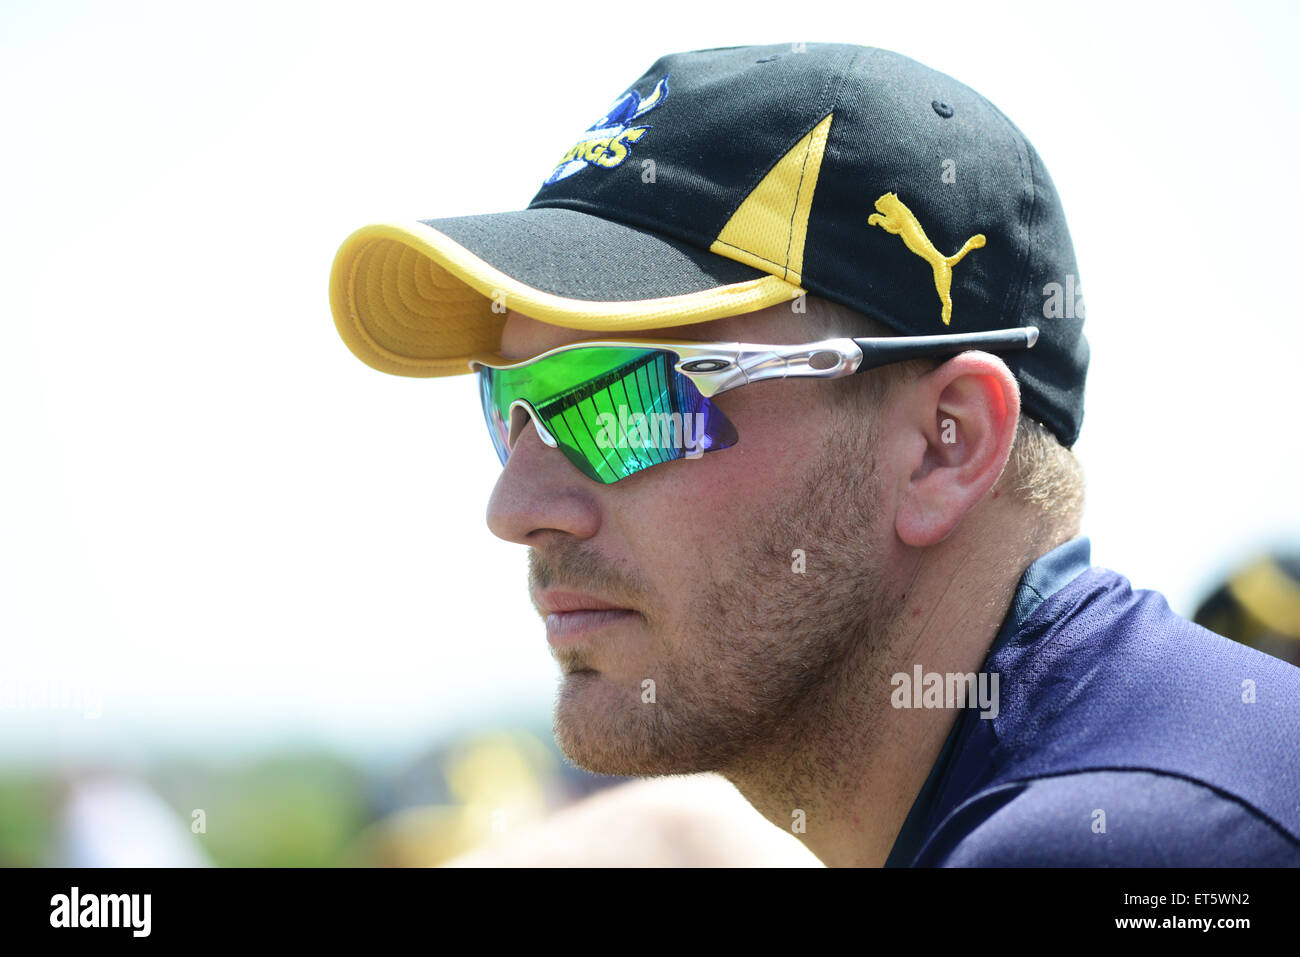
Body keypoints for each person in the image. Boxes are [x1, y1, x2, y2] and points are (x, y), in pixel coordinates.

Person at [328, 42, 1300, 866]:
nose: (515, 505)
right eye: (511, 404)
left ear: (941, 445)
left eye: (624, 401)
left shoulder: (1123, 845)